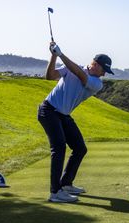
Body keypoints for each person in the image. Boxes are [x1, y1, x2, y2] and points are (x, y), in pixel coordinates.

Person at [38, 42, 114, 203]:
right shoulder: (73, 68)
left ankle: (65, 184)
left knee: (80, 148)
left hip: (63, 115)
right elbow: (50, 76)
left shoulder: (96, 83)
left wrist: (61, 54)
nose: (104, 75)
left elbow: (80, 74)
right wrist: (53, 55)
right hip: (48, 111)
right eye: (104, 70)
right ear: (94, 65)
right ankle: (55, 192)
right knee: (58, 148)